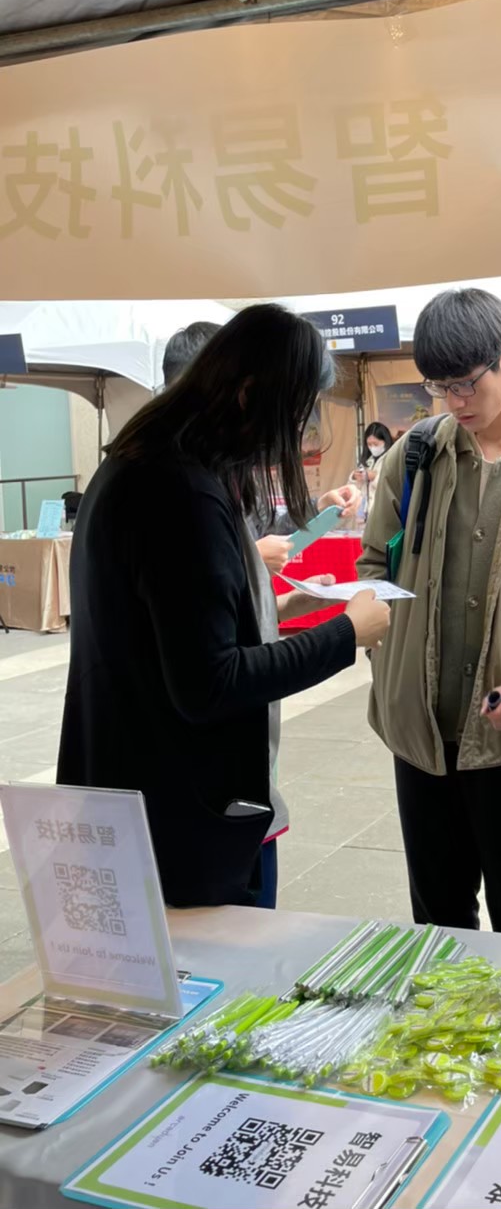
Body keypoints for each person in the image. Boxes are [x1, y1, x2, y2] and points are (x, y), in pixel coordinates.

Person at [58, 305, 392, 908]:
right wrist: (347, 633)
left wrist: (273, 608)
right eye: (293, 417)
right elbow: (208, 682)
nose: (294, 436)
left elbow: (173, 627)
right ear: (246, 395)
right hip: (181, 821)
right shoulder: (182, 491)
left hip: (130, 795)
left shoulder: (140, 463)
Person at [357, 289, 501, 933]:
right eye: (439, 388)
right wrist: (384, 647)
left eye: (465, 384)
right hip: (420, 733)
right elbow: (375, 564)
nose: (454, 403)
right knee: (436, 918)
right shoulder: (417, 456)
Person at [162, 322, 359, 576]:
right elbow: (175, 574)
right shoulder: (165, 475)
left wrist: (317, 509)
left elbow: (263, 524)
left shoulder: (228, 464)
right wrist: (248, 559)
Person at [349, 422, 395, 524]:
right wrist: (354, 477)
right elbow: (353, 490)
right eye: (369, 444)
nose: (372, 447)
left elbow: (394, 485)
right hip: (365, 515)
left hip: (384, 515)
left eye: (376, 444)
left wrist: (375, 477)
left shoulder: (393, 459)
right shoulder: (367, 460)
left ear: (385, 441)